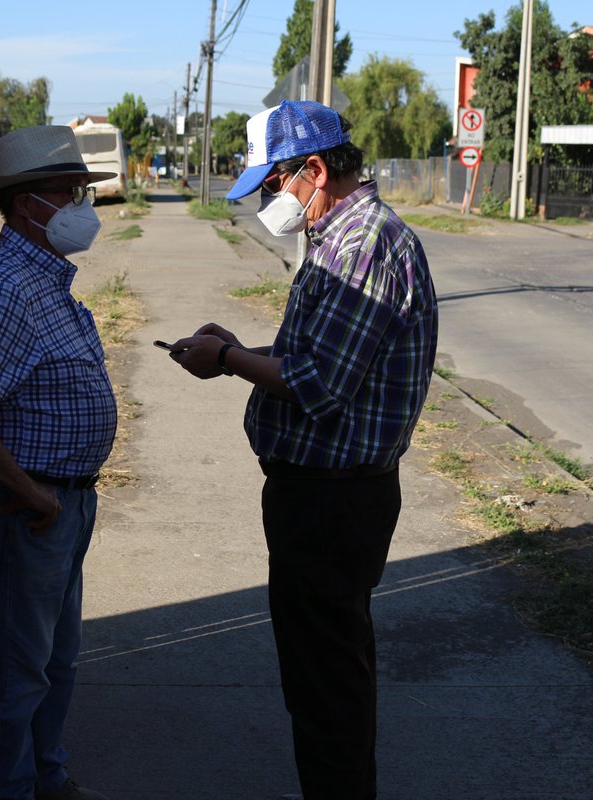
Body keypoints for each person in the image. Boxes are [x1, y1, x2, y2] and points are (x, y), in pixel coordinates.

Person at [165, 100, 438, 800]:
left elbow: (320, 383)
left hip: (334, 500)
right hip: (318, 496)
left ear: (314, 169)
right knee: (322, 671)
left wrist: (227, 356)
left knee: (327, 682)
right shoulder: (337, 235)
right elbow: (311, 356)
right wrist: (234, 349)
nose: (269, 202)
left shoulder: (364, 243)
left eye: (271, 185)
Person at [0, 126, 117, 800]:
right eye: (67, 193)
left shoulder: (42, 279)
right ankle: (11, 789)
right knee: (22, 665)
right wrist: (30, 492)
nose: (81, 205)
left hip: (63, 503)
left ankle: (46, 776)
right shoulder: (11, 285)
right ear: (23, 206)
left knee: (56, 657)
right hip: (32, 509)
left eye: (80, 191)